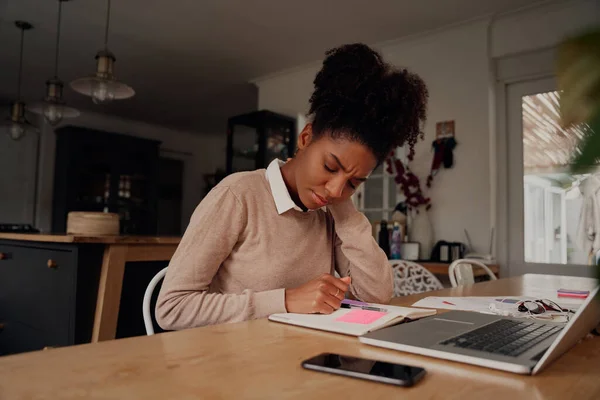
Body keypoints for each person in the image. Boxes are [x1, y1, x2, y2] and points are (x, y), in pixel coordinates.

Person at [156, 43, 428, 330]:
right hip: (235, 364)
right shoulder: (238, 196)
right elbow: (172, 308)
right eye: (330, 167)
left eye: (354, 182)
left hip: (304, 357)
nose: (336, 189)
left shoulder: (332, 211)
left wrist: (345, 210)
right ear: (306, 138)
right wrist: (285, 301)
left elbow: (376, 295)